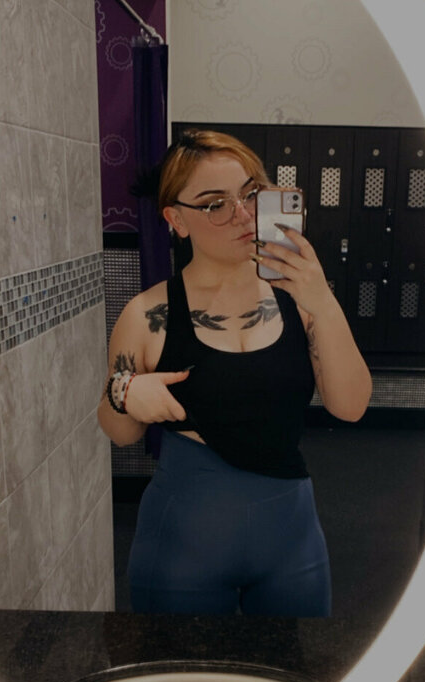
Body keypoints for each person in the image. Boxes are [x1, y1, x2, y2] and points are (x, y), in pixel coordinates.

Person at [98, 129, 371, 615]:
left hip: (291, 543)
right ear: (176, 220)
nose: (243, 215)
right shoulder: (147, 315)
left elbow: (350, 407)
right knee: (177, 666)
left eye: (250, 193)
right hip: (182, 547)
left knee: (295, 664)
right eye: (214, 205)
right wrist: (125, 391)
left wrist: (325, 303)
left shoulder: (302, 301)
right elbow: (120, 432)